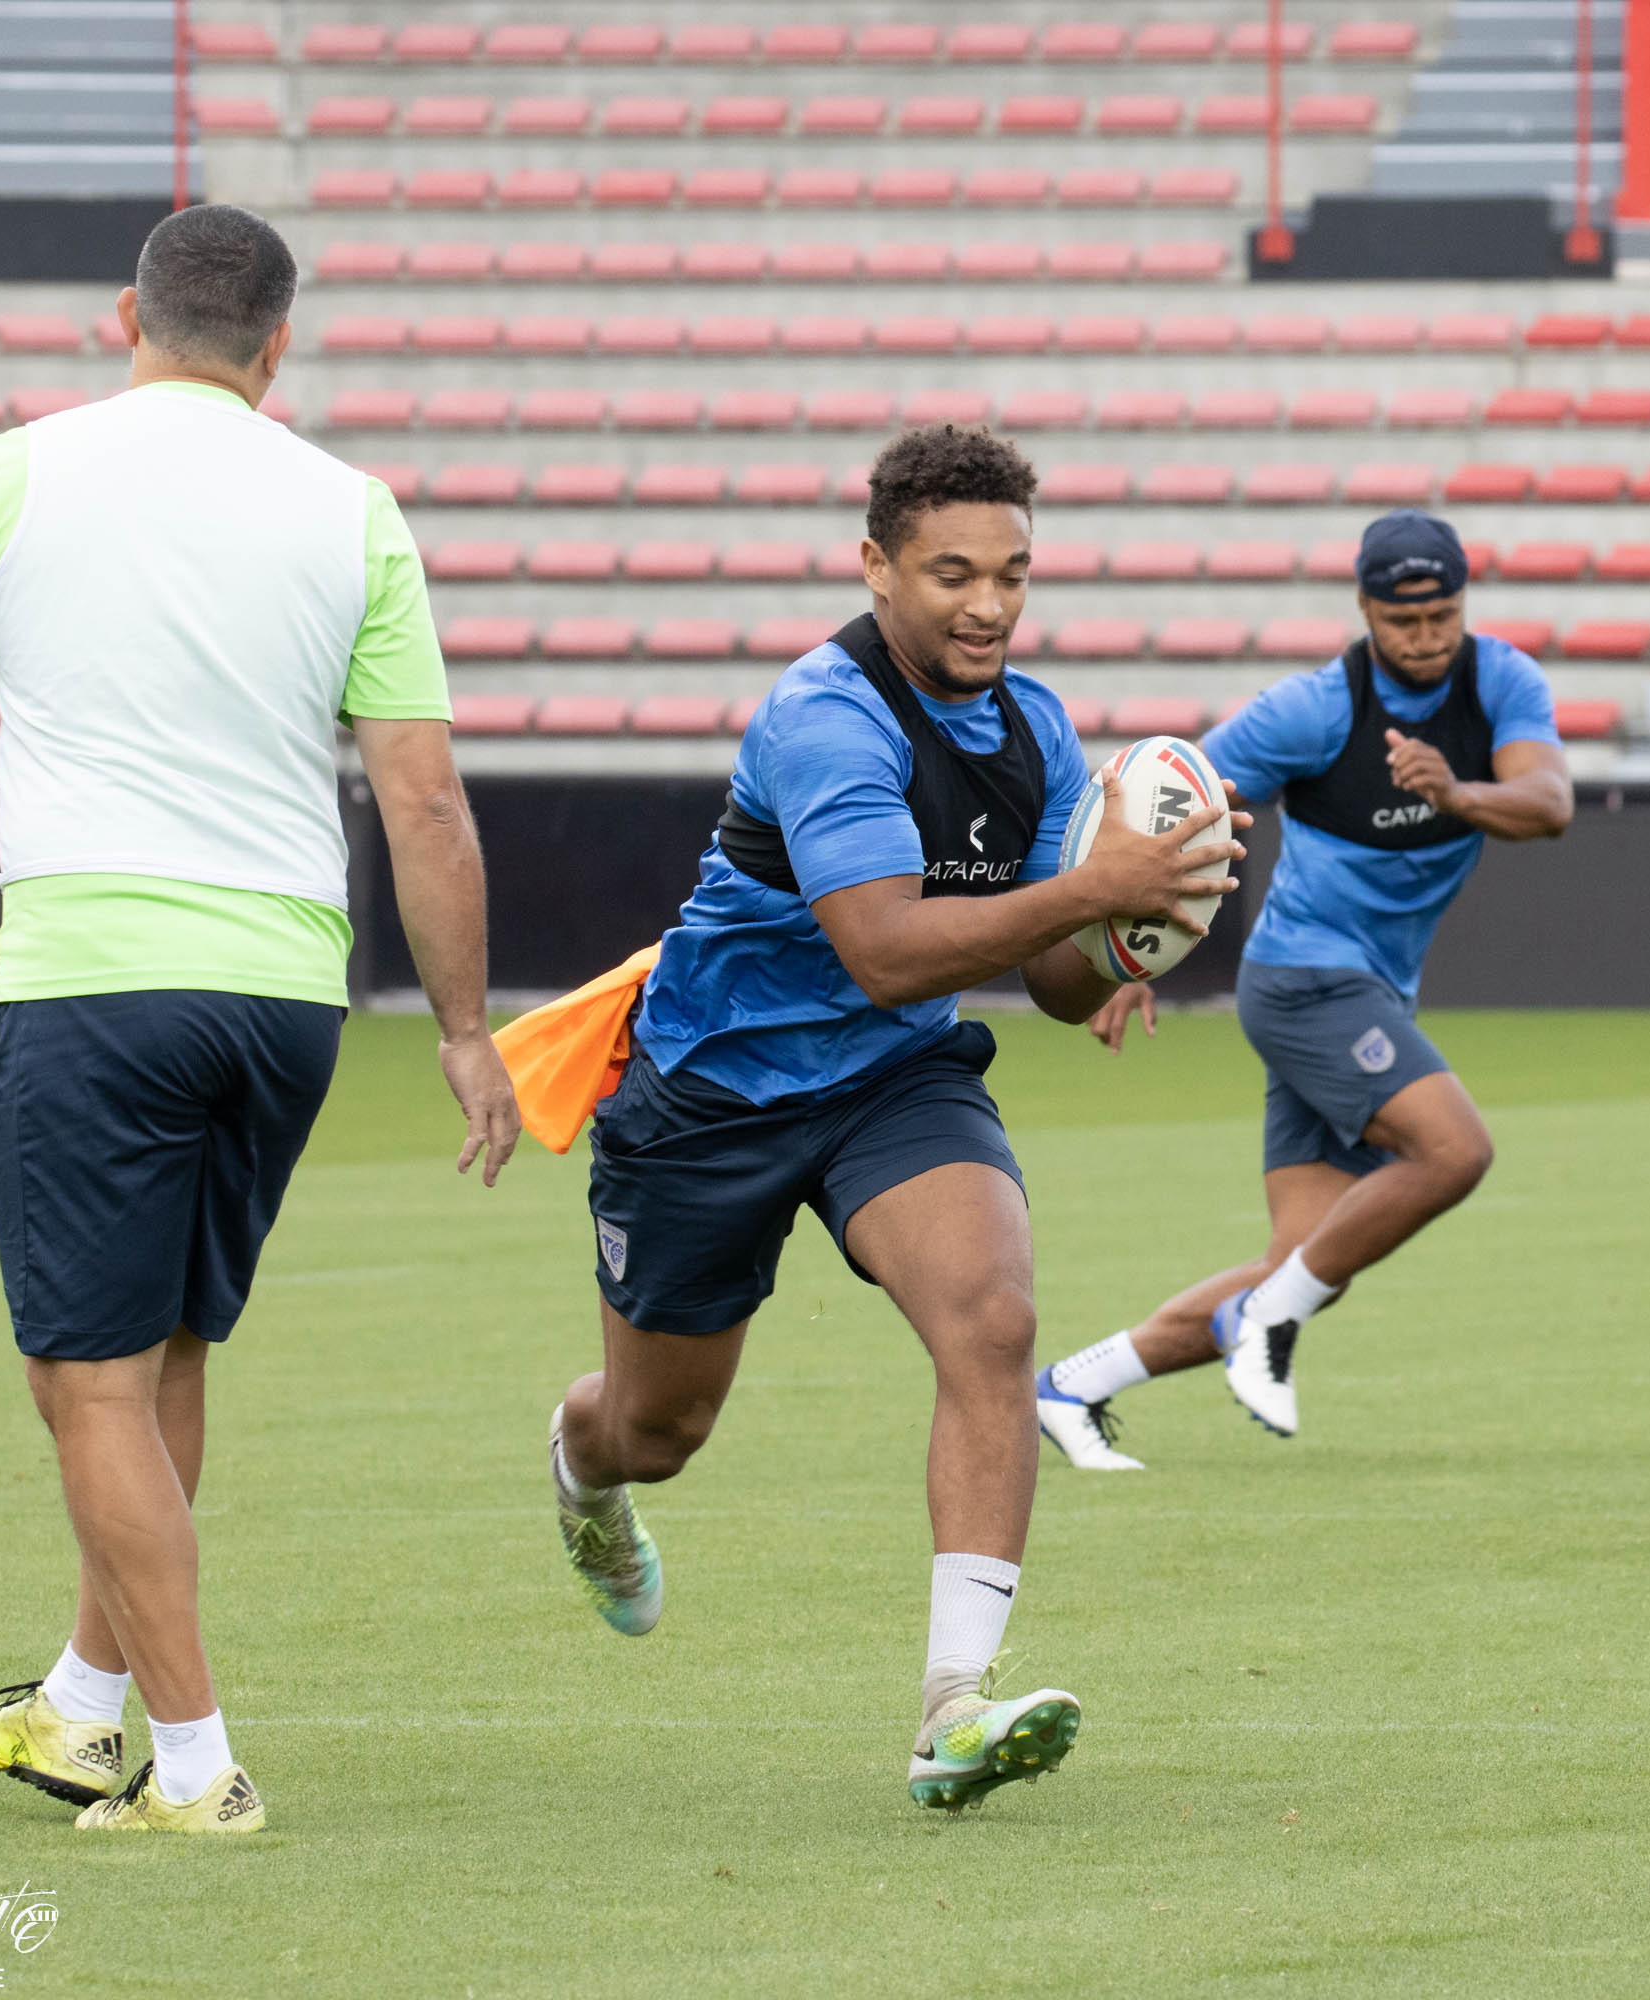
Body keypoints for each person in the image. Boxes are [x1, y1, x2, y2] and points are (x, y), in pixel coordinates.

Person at [0, 204, 519, 1833]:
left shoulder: (20, 471)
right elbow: (425, 802)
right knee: (159, 1359)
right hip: (285, 995)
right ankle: (82, 1708)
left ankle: (197, 1767)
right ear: (278, 346)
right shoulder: (353, 509)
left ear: (122, 320)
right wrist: (463, 1029)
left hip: (95, 984)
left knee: (86, 1385)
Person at [537, 426, 1248, 1811]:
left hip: (892, 1080)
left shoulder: (1036, 730)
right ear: (876, 566)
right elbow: (884, 948)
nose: (988, 605)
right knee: (657, 1432)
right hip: (712, 1094)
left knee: (993, 1318)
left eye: (1012, 574)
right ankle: (580, 1463)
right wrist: (1091, 893)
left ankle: (952, 1707)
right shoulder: (826, 716)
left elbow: (1050, 984)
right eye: (951, 574)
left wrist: (1141, 929)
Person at [1037, 509, 1572, 1471]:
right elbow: (1178, 806)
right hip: (1304, 981)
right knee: (1455, 1151)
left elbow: (1550, 804)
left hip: (1372, 994)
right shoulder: (1314, 710)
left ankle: (1073, 1385)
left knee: (1305, 1261)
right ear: (1365, 609)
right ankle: (1265, 1322)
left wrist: (1456, 793)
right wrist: (1126, 950)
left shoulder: (1501, 682)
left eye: (1443, 616)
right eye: (1403, 620)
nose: (1426, 638)